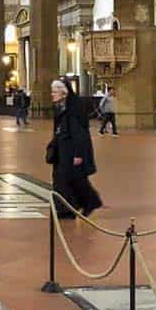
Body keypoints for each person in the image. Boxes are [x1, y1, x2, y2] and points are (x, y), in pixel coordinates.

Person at [48, 80, 102, 218]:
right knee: (67, 179)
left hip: (72, 151)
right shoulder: (61, 107)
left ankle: (72, 208)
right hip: (63, 150)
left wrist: (78, 154)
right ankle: (77, 205)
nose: (52, 95)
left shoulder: (73, 109)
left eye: (54, 92)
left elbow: (79, 134)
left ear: (64, 93)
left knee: (71, 179)